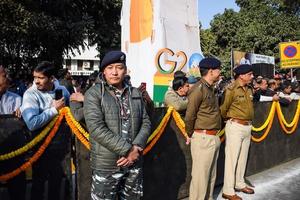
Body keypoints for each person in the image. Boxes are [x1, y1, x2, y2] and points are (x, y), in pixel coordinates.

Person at [83, 51, 151, 200]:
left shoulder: (135, 93)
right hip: (107, 165)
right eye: (110, 68)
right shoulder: (94, 94)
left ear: (125, 70)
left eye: (119, 67)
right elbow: (96, 128)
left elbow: (146, 122)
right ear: (104, 72)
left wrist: (136, 148)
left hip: (134, 163)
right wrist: (128, 150)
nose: (114, 72)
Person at [21, 61, 71, 200]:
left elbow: (71, 113)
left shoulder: (62, 90)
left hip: (61, 147)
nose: (36, 81)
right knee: (38, 183)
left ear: (52, 78)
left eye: (41, 78)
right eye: (35, 77)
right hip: (40, 147)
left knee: (57, 183)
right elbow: (32, 123)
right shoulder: (30, 94)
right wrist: (54, 110)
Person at [185, 58, 222, 200]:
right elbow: (190, 116)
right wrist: (190, 134)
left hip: (213, 137)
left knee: (210, 177)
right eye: (218, 70)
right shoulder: (198, 89)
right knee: (201, 179)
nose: (220, 72)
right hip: (203, 138)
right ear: (211, 71)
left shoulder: (209, 88)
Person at [220, 64, 255, 200]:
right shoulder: (231, 89)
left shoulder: (249, 89)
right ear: (241, 75)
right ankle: (228, 190)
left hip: (247, 126)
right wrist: (229, 121)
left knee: (242, 158)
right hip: (235, 125)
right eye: (249, 74)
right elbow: (223, 109)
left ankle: (239, 183)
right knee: (232, 159)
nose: (252, 76)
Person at [0, 65, 26, 200]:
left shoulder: (16, 99)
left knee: (17, 188)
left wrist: (20, 115)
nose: (8, 78)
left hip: (12, 153)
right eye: (4, 75)